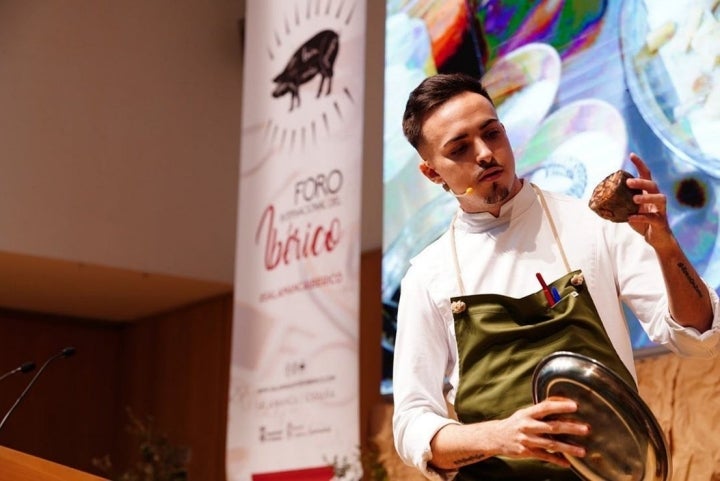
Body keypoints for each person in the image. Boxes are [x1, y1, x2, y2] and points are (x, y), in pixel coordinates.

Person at [391, 72, 720, 481]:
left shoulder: (592, 223)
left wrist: (666, 246)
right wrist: (499, 436)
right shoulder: (427, 274)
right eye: (459, 148)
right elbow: (411, 424)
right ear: (432, 173)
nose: (485, 154)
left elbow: (698, 338)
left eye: (492, 133)